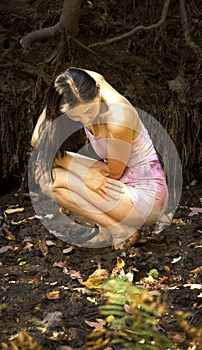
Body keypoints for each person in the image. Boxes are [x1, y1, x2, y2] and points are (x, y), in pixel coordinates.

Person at [31, 67, 168, 250]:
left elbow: (115, 172)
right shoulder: (81, 84)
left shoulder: (118, 117)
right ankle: (111, 229)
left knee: (53, 181)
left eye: (89, 111)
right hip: (121, 182)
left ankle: (119, 230)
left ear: (97, 89)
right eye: (75, 117)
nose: (86, 121)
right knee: (47, 172)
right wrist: (55, 99)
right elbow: (36, 141)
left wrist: (74, 167)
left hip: (146, 197)